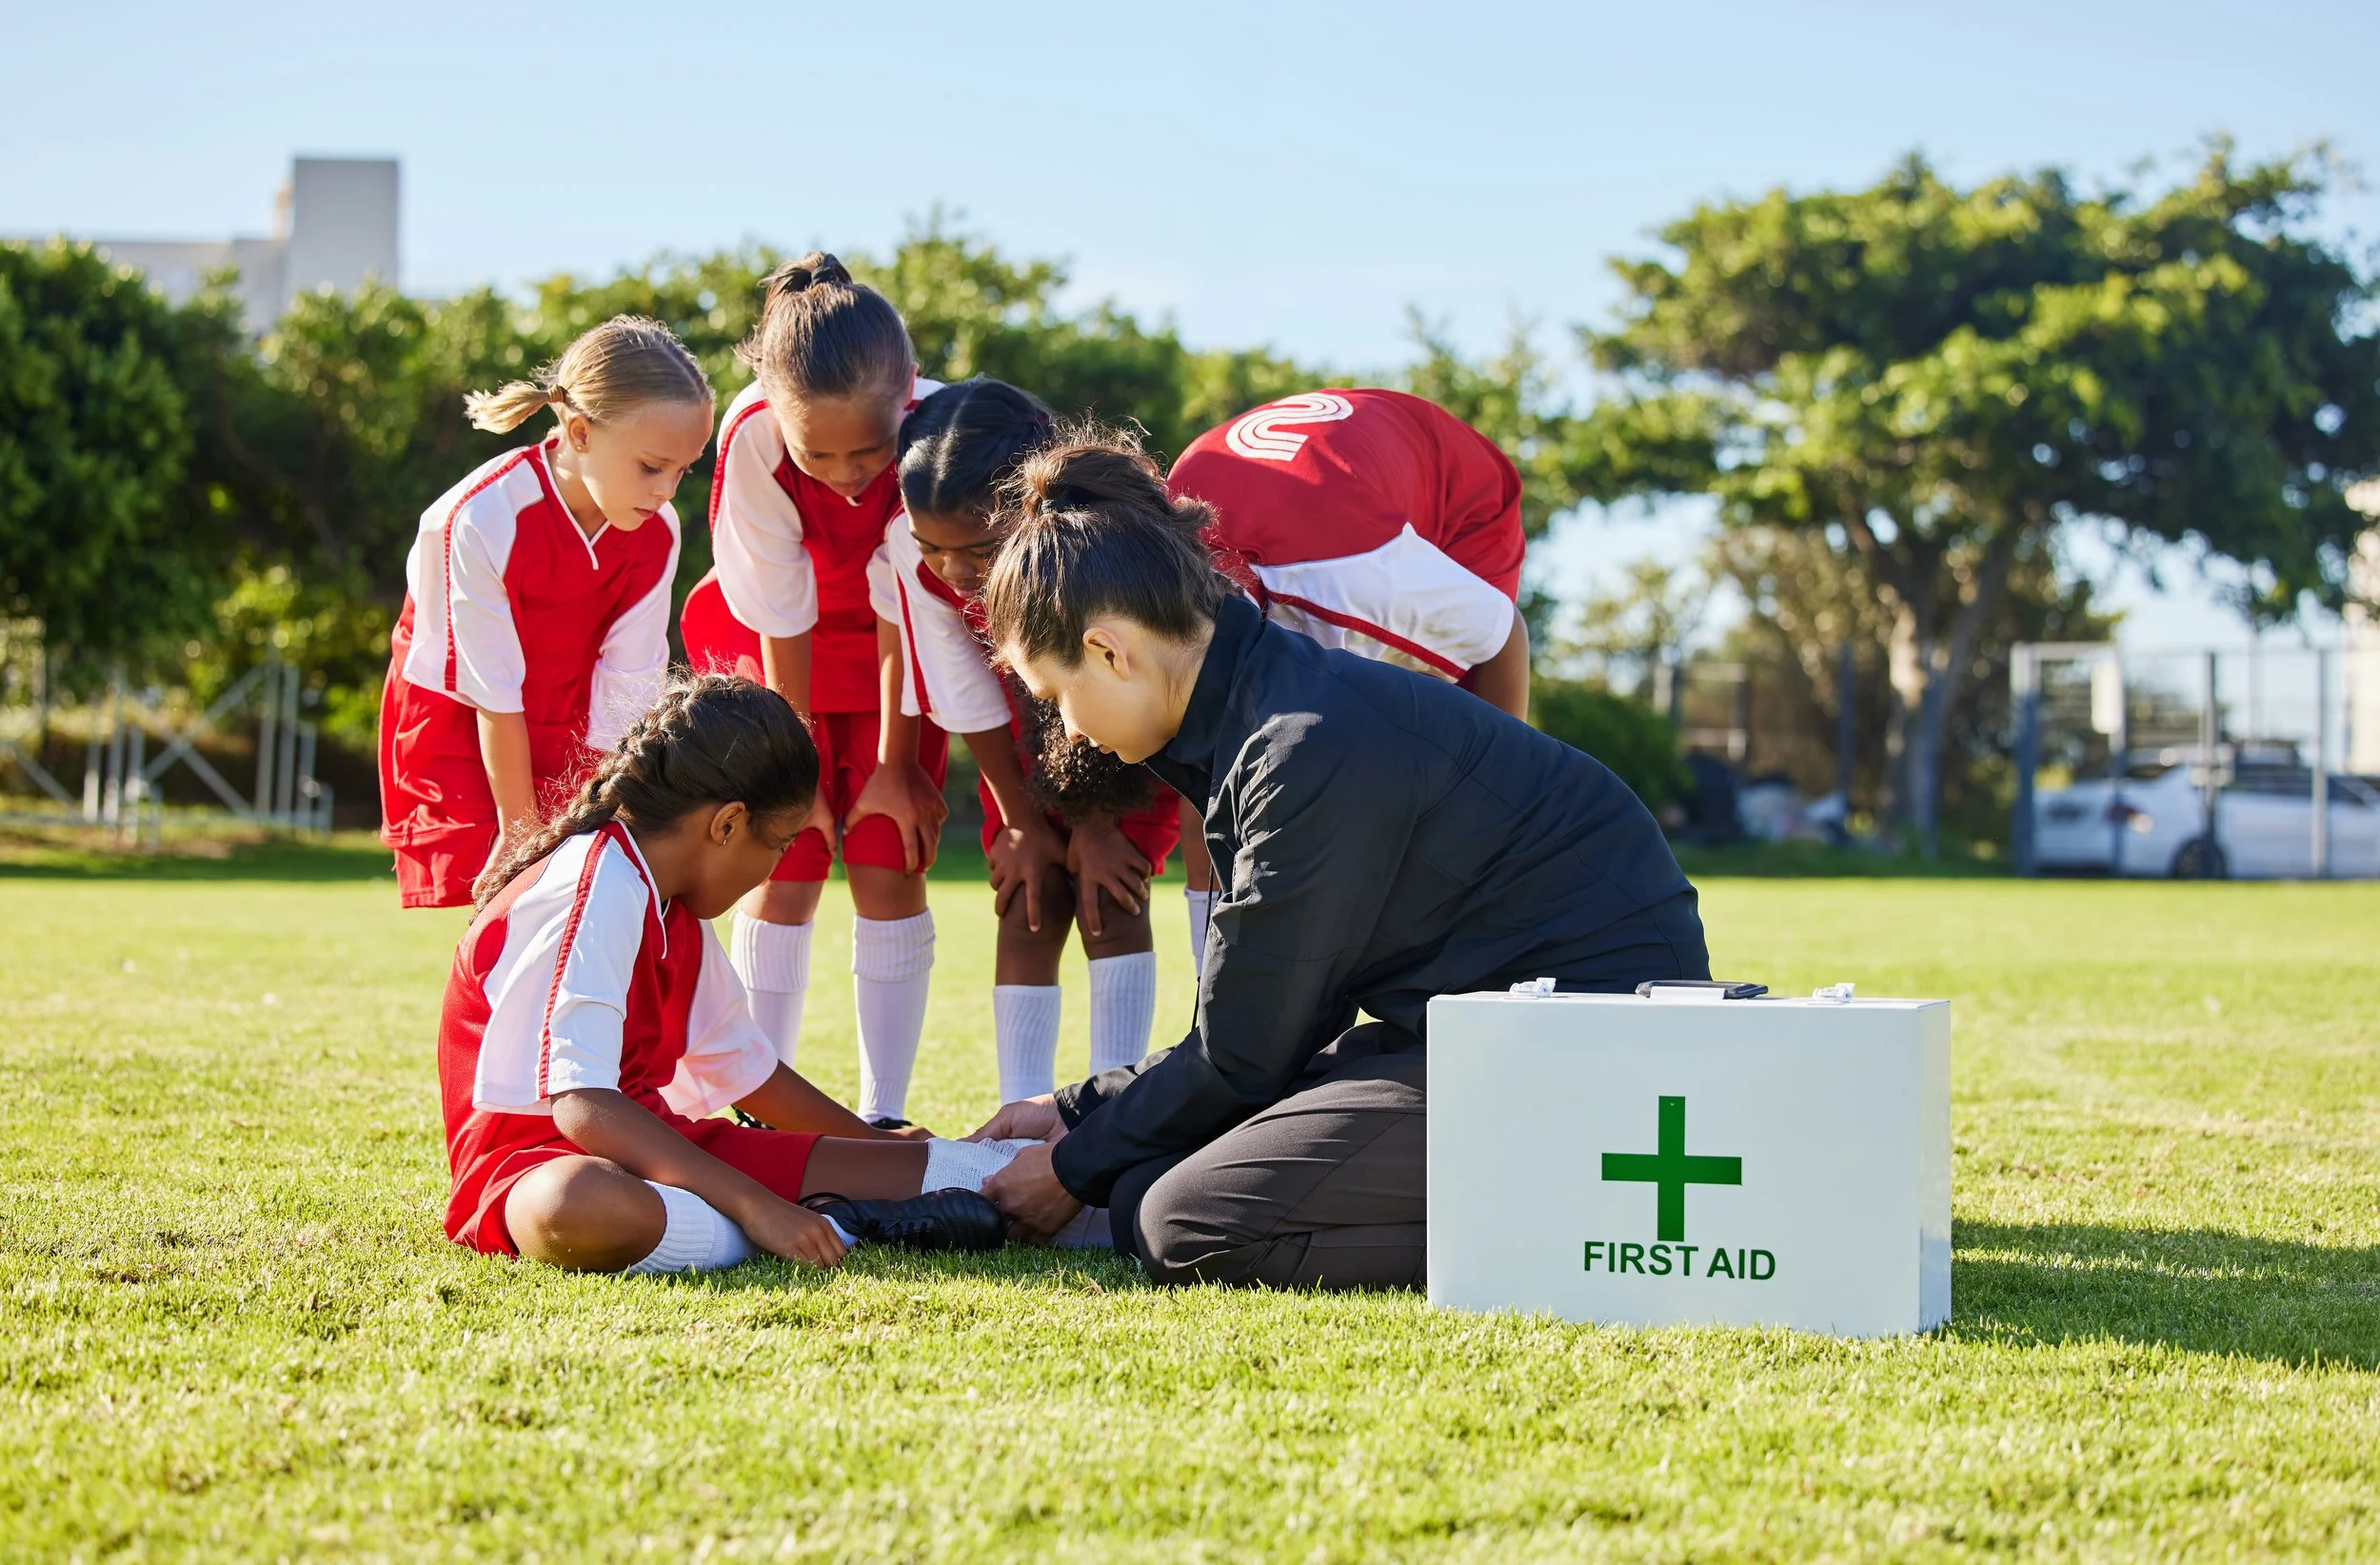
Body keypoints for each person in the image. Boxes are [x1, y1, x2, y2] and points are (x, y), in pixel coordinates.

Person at [968, 429, 1710, 1290]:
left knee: (1182, 1223)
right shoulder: (1254, 711)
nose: (1069, 728)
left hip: (1580, 1043)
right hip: (1466, 1031)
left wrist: (1066, 1169)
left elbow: (1246, 1051)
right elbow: (1258, 1018)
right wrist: (1076, 1111)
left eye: (1055, 697)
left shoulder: (1298, 745)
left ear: (1108, 650)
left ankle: (1571, 1220)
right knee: (1139, 1183)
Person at [439, 672, 1038, 1276]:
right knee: (577, 1205)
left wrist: (879, 1145)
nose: (775, 867)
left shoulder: (671, 901)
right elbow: (583, 1106)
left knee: (958, 1171)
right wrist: (755, 1206)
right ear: (726, 825)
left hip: (656, 1153)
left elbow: (748, 1073)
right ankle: (839, 1222)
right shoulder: (601, 881)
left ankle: (845, 1211)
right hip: (536, 1167)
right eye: (778, 844)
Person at [678, 255, 948, 1125]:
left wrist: (892, 766)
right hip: (771, 646)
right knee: (784, 855)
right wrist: (793, 774)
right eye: (817, 452)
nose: (844, 472)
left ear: (906, 393)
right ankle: (767, 1101)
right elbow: (776, 607)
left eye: (868, 449)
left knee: (884, 849)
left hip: (898, 660)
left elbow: (906, 601)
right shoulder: (753, 435)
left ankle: (883, 1113)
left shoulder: (938, 435)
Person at [1163, 387, 1533, 969]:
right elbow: (1204, 795)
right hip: (1333, 482)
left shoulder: (1344, 584)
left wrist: (1505, 817)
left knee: (1441, 785)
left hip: (1454, 497)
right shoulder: (1161, 559)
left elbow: (1502, 634)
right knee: (1223, 778)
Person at [888, 380, 1178, 1105]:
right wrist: (1020, 821)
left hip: (1124, 727)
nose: (953, 570)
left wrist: (1098, 827)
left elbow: (1102, 688)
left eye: (977, 549)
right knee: (1028, 893)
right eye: (931, 547)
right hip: (1017, 735)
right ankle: (1020, 1108)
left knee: (1111, 892)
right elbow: (967, 695)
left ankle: (1114, 1108)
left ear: (1027, 510)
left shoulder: (1091, 545)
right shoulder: (918, 559)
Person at [378, 316, 709, 909]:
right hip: (467, 714)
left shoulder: (657, 530)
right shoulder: (481, 519)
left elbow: (627, 685)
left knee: (584, 890)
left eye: (683, 470)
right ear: (579, 432)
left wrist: (613, 811)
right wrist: (519, 826)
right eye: (652, 466)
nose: (668, 490)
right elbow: (492, 687)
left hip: (574, 712)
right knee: (499, 900)